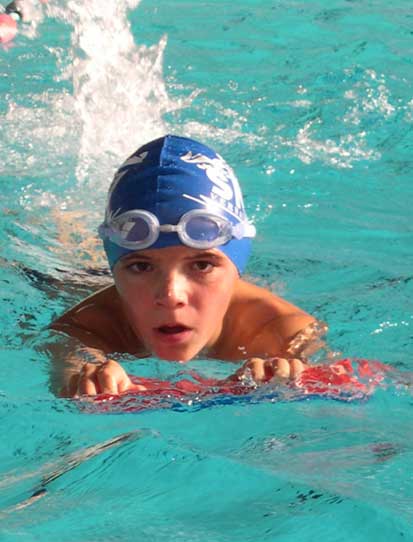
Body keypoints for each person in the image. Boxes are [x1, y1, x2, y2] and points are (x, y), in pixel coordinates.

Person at [50, 135, 327, 398]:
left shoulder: (287, 334)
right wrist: (91, 378)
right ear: (116, 271)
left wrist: (284, 383)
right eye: (141, 266)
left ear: (236, 269)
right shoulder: (85, 329)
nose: (171, 295)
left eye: (202, 265)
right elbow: (72, 366)